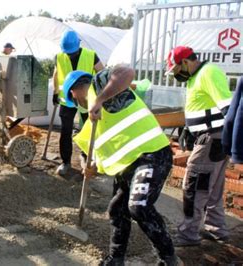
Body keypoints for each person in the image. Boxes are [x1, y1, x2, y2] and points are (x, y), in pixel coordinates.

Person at [65, 67, 179, 265]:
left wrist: (100, 99)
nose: (76, 104)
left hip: (151, 153)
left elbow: (126, 72)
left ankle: (168, 258)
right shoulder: (91, 122)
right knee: (117, 209)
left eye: (73, 99)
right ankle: (116, 259)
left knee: (138, 206)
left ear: (74, 91)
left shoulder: (100, 84)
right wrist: (92, 167)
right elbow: (102, 153)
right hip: (127, 165)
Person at [166, 46, 232, 246]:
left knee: (195, 186)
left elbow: (228, 108)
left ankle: (188, 234)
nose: (177, 75)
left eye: (177, 70)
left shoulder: (208, 73)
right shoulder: (197, 77)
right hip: (213, 138)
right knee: (212, 188)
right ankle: (216, 229)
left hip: (211, 139)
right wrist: (190, 127)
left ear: (185, 61)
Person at [52, 30, 104, 177]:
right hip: (67, 99)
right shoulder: (59, 57)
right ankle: (65, 162)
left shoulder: (90, 55)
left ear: (79, 46)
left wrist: (100, 97)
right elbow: (56, 74)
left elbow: (102, 73)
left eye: (72, 53)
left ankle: (86, 158)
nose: (70, 55)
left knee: (88, 129)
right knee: (65, 131)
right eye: (68, 53)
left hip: (86, 99)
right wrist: (56, 92)